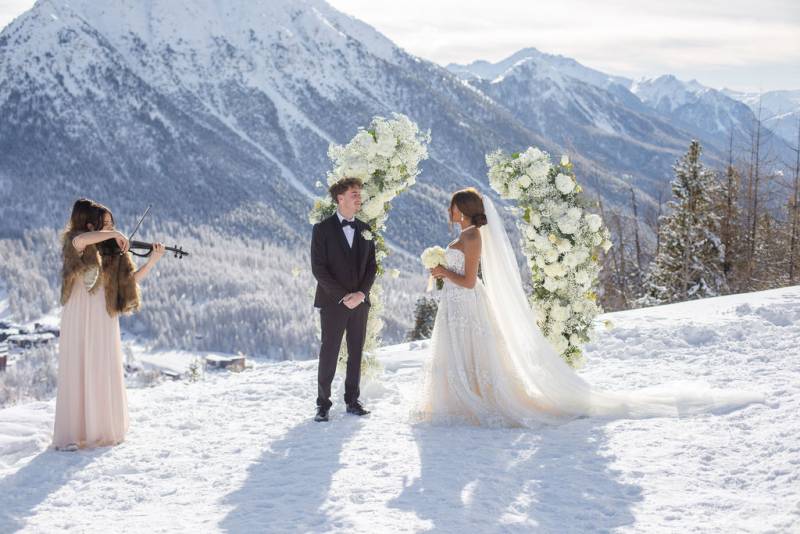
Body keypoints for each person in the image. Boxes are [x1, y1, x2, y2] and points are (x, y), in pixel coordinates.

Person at [416, 187, 764, 427]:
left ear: (460, 209)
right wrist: (442, 272)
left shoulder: (473, 236)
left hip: (467, 301)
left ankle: (475, 400)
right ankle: (460, 398)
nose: (450, 211)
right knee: (461, 354)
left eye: (452, 206)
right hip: (456, 305)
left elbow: (469, 279)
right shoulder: (467, 235)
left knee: (474, 354)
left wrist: (442, 270)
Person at [53, 199, 165, 450]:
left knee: (101, 365)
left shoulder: (114, 250)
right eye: (104, 224)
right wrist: (113, 234)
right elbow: (80, 242)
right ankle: (72, 434)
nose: (111, 228)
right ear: (89, 223)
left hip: (103, 312)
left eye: (112, 223)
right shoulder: (76, 240)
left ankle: (101, 429)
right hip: (79, 310)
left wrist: (152, 260)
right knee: (77, 364)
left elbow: (130, 282)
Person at [310, 178, 378, 422]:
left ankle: (352, 400)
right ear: (340, 198)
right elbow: (318, 269)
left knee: (356, 351)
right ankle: (323, 404)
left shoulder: (365, 229)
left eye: (359, 194)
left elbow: (372, 267)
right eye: (354, 194)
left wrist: (361, 294)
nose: (359, 198)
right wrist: (342, 297)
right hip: (332, 302)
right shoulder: (322, 229)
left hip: (360, 302)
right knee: (329, 351)